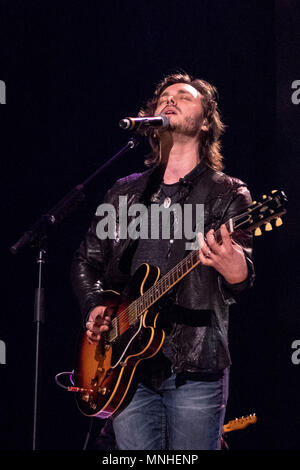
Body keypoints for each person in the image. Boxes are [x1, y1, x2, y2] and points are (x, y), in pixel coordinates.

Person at [71, 72, 255, 450]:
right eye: (164, 97)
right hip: (125, 367)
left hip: (195, 367)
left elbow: (241, 278)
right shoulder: (124, 192)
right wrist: (94, 308)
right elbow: (85, 261)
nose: (170, 100)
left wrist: (231, 264)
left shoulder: (227, 193)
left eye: (184, 97)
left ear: (205, 122)